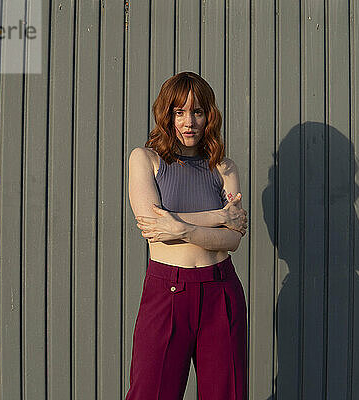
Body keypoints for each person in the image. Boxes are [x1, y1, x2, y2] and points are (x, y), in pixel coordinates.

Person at [126, 71, 249, 399]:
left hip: (220, 291)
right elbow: (152, 226)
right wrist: (219, 217)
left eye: (197, 111)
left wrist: (181, 228)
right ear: (166, 115)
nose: (188, 121)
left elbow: (232, 240)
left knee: (226, 394)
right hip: (166, 293)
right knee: (150, 392)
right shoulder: (146, 160)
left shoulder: (224, 167)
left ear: (210, 115)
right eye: (179, 112)